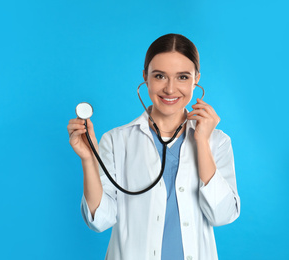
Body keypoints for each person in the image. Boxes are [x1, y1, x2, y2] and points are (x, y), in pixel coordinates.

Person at [67, 33, 240, 260]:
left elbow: (222, 215)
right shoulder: (116, 141)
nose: (170, 89)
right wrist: (88, 159)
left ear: (196, 79)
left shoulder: (218, 142)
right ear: (145, 77)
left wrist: (201, 142)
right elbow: (100, 221)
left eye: (182, 77)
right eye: (159, 76)